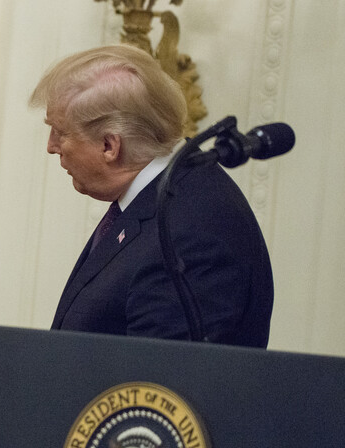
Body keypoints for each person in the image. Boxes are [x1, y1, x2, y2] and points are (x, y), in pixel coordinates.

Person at [29, 44, 273, 347]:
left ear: (109, 146)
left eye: (60, 132)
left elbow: (158, 384)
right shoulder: (161, 197)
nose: (52, 146)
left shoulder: (188, 233)